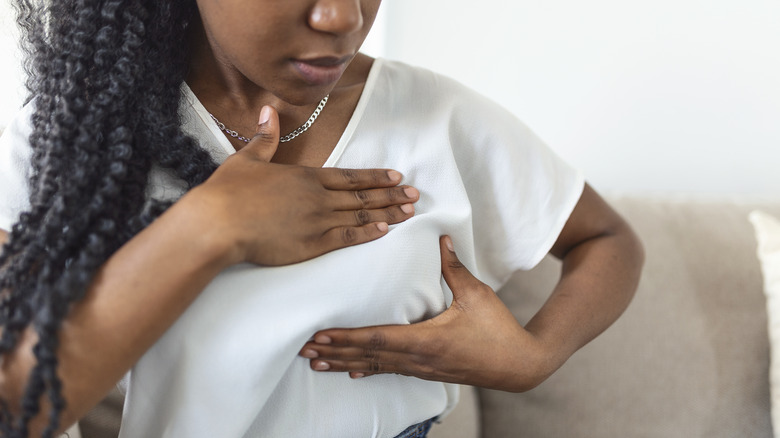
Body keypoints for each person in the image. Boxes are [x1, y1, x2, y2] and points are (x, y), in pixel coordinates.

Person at [0, 1, 644, 437]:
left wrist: (536, 356)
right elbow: (18, 405)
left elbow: (608, 239)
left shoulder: (437, 117)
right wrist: (212, 226)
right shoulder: (71, 138)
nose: (344, 14)